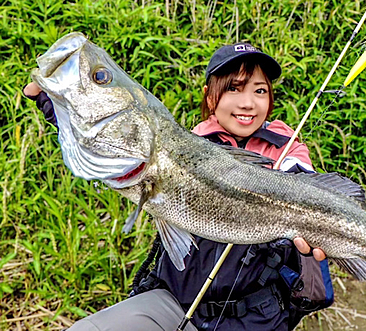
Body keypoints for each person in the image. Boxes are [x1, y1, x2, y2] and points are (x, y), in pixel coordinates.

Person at [24, 43, 335, 331]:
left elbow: (303, 183)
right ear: (210, 96)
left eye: (260, 91)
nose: (248, 103)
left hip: (257, 318)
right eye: (233, 89)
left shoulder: (287, 151)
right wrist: (61, 106)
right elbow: (113, 143)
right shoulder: (184, 145)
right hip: (173, 303)